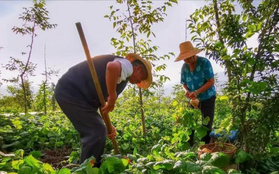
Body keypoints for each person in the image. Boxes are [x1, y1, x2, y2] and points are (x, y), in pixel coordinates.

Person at [54, 53, 152, 165]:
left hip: (76, 94)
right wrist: (112, 95)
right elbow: (112, 67)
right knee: (96, 132)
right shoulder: (127, 66)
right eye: (142, 78)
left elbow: (102, 104)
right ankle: (88, 170)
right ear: (138, 69)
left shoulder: (121, 76)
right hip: (72, 91)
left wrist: (108, 126)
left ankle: (91, 167)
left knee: (99, 129)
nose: (139, 83)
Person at [175, 41, 216, 145]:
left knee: (206, 123)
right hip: (192, 99)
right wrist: (187, 92)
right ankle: (189, 146)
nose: (187, 61)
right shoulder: (184, 67)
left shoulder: (204, 63)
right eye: (185, 59)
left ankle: (205, 147)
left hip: (207, 97)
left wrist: (197, 92)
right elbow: (183, 83)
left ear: (194, 55)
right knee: (189, 122)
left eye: (189, 58)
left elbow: (211, 82)